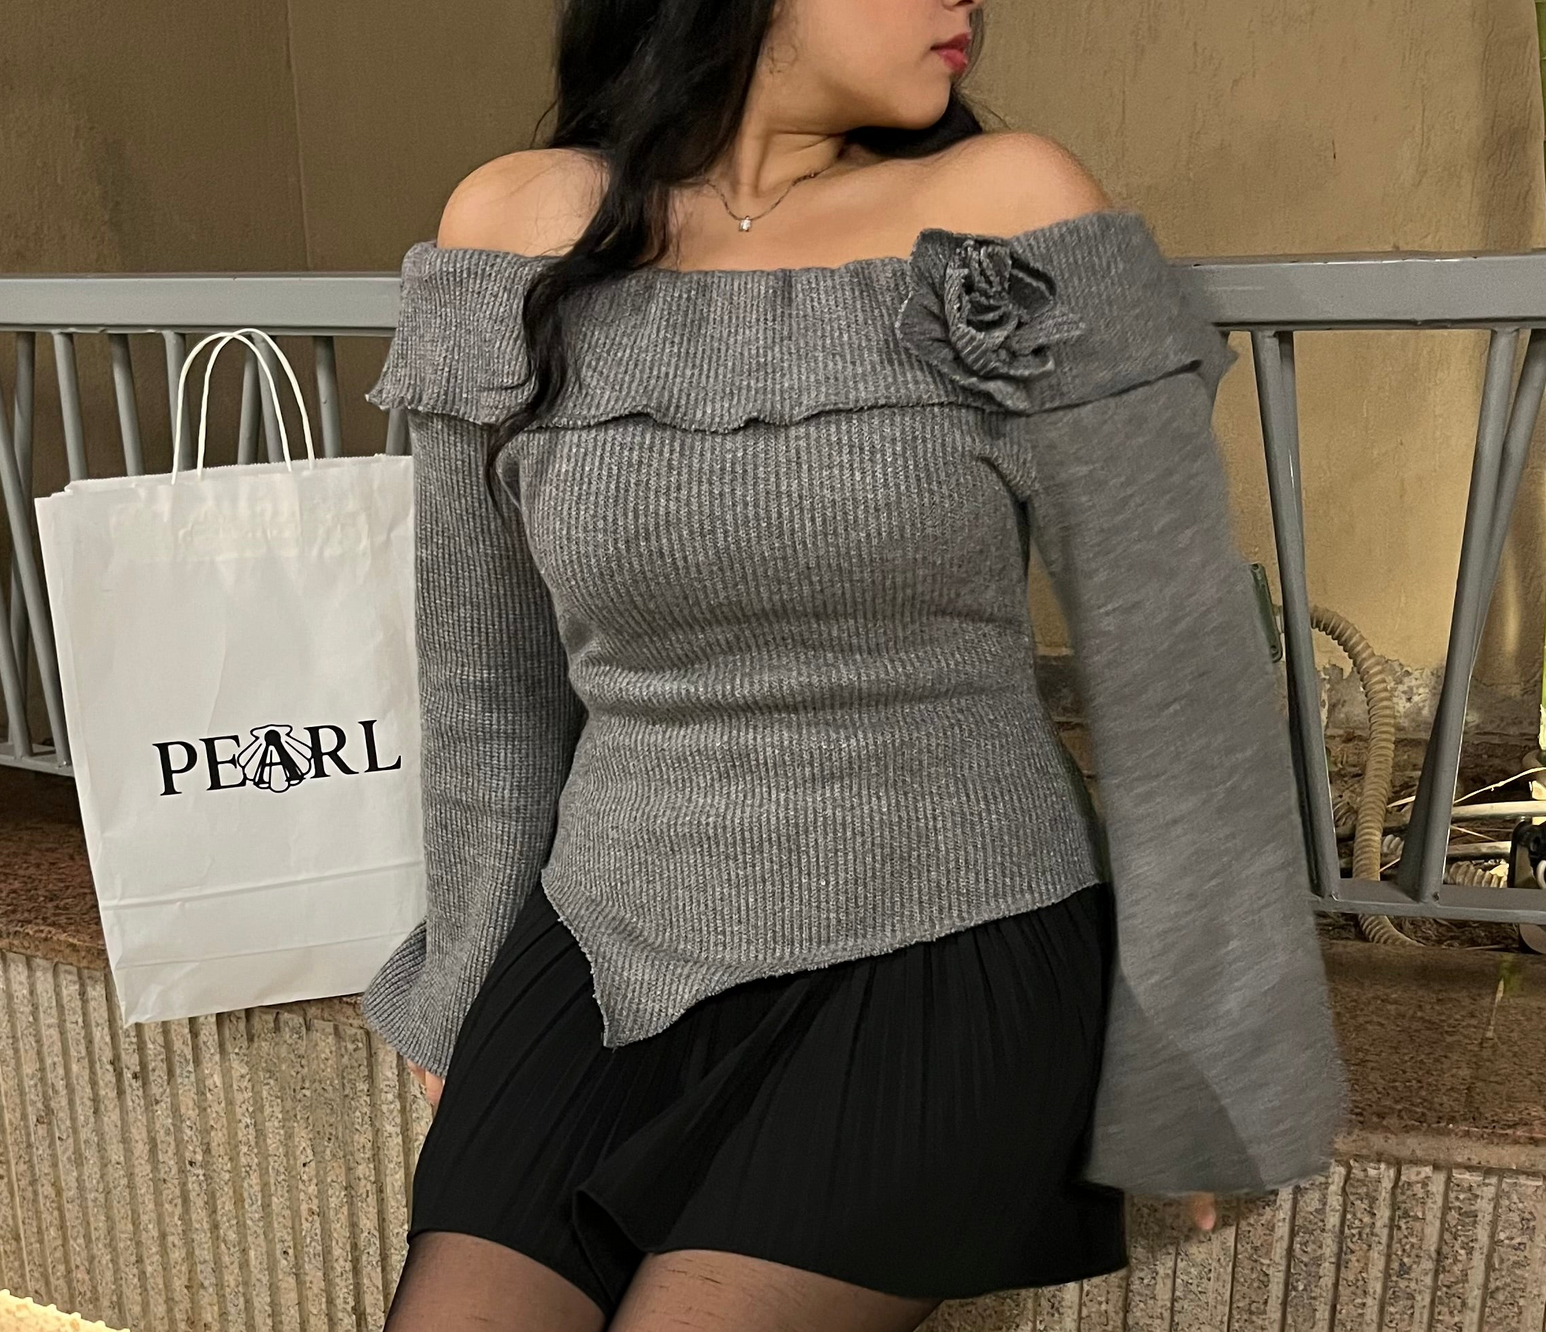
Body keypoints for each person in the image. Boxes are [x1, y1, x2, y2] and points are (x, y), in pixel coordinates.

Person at [359, 0, 1346, 1327]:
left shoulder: (1008, 206)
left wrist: (1216, 1047)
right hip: (603, 938)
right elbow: (488, 683)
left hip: (950, 938)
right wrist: (470, 983)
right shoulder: (509, 227)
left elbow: (1177, 665)